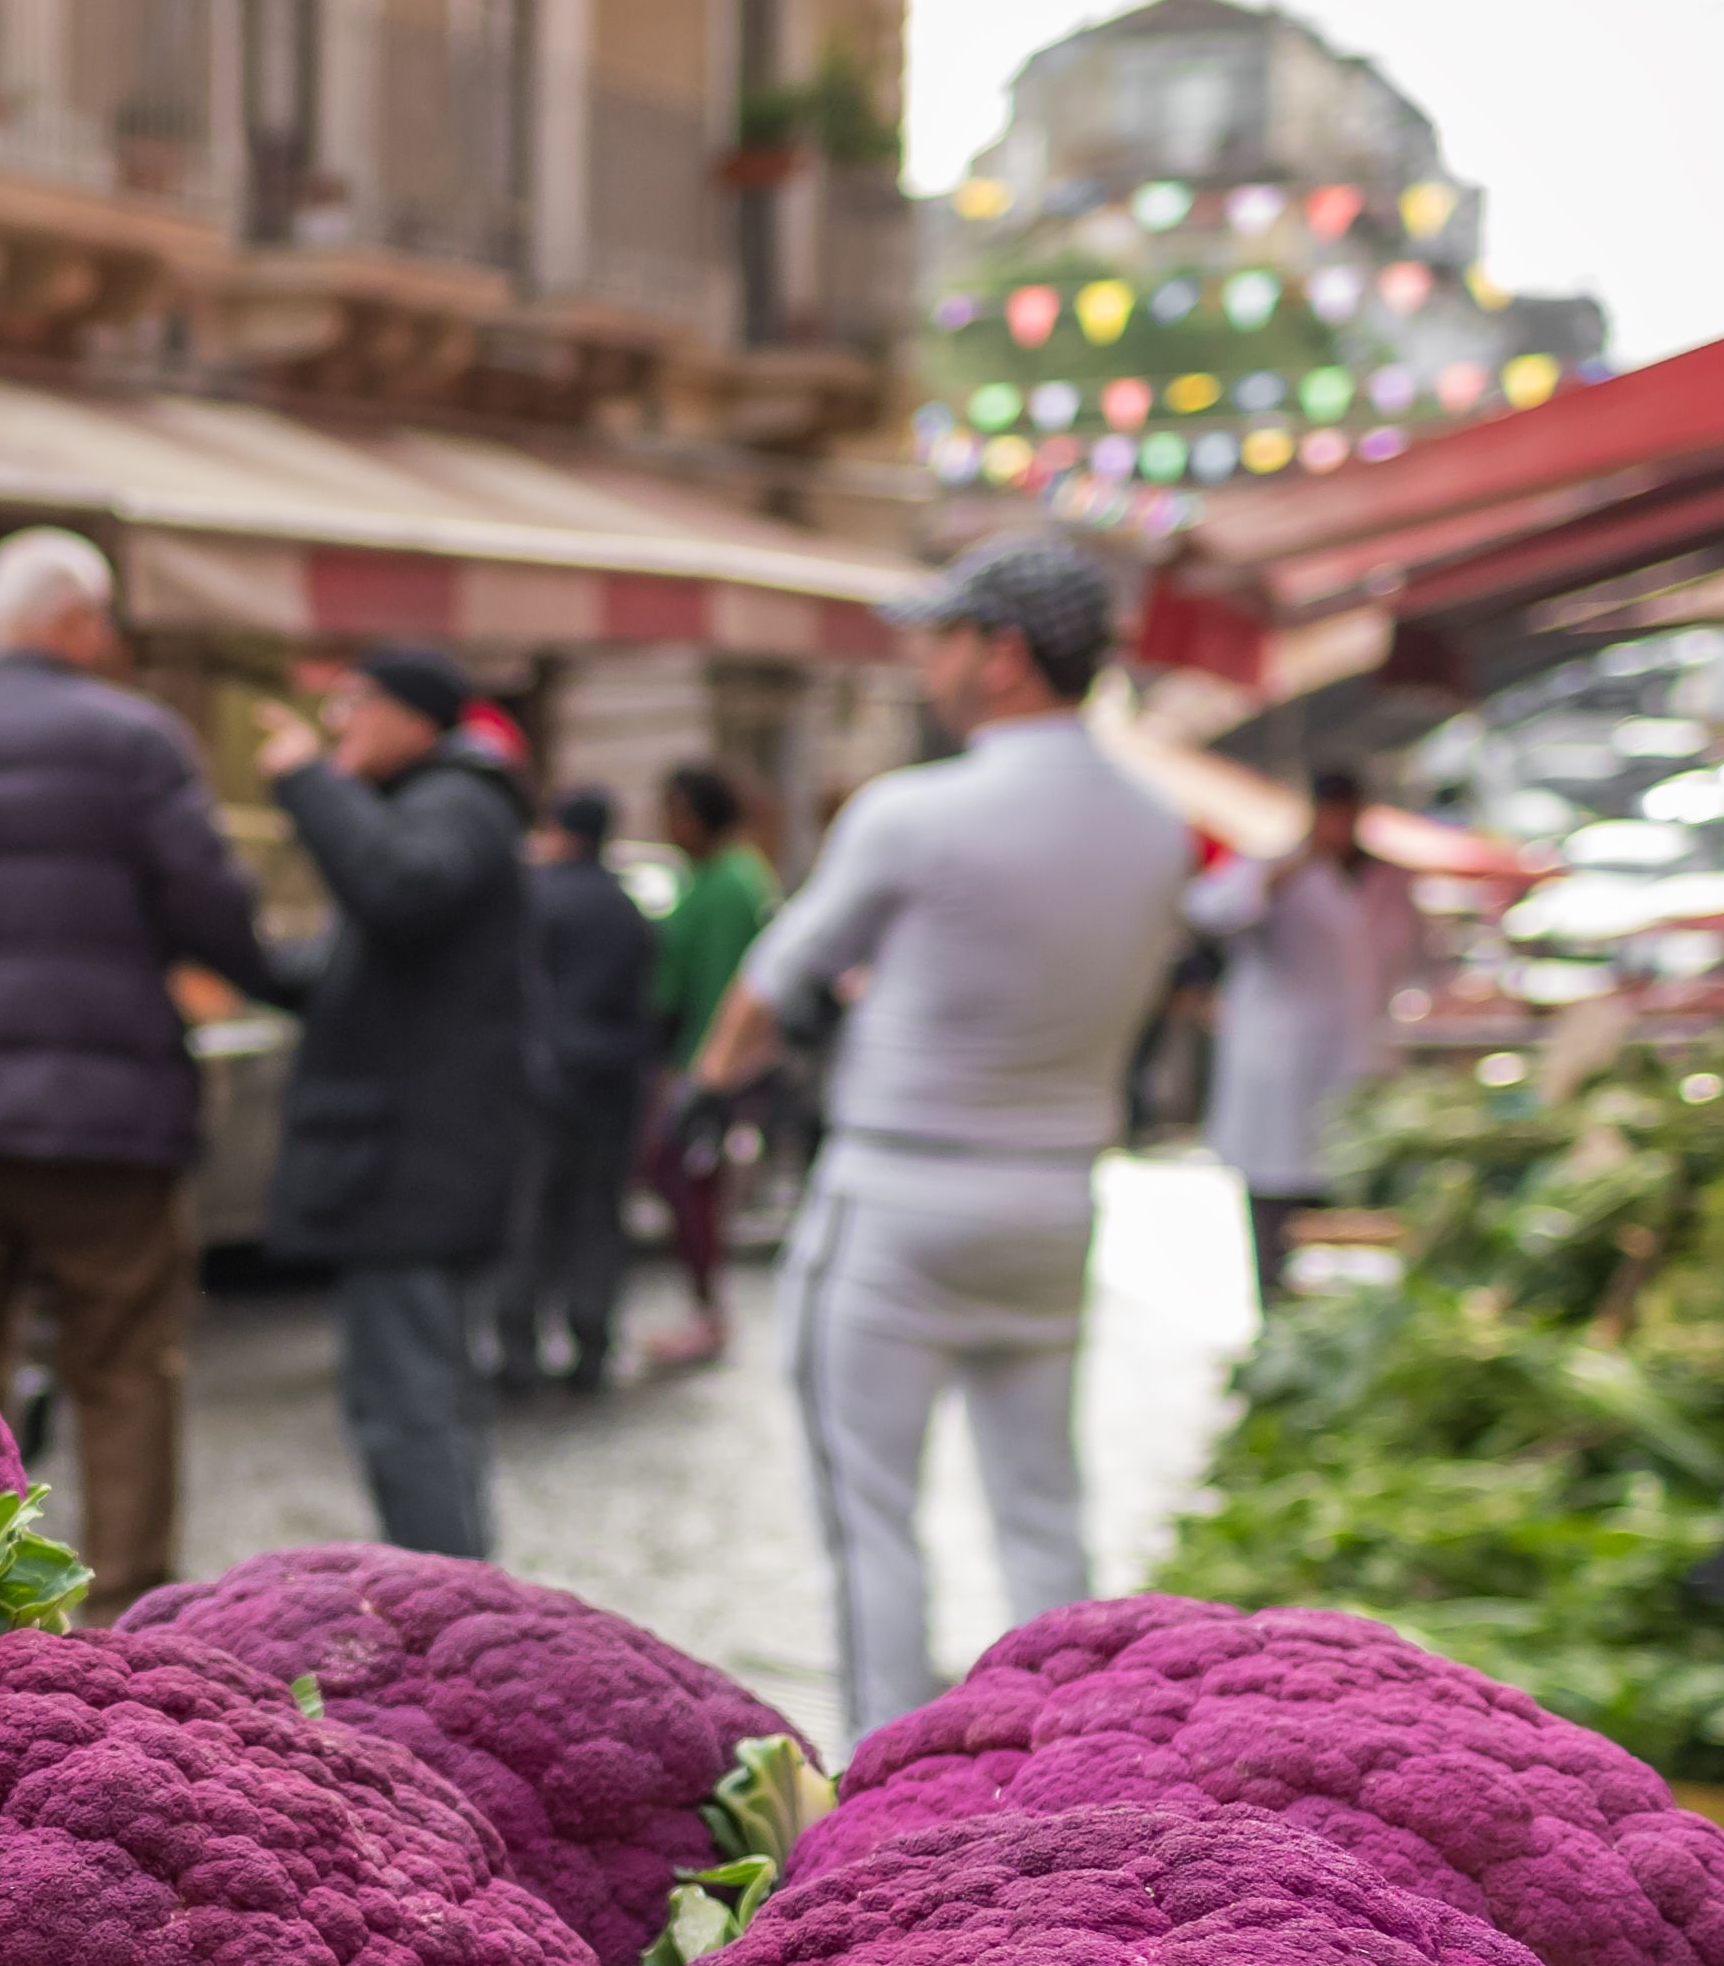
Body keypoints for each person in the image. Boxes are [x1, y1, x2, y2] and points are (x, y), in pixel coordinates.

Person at [690, 531, 1202, 1742]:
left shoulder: (913, 812)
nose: (923, 660)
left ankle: (884, 1775)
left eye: (942, 636)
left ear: (1005, 654)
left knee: (875, 1518)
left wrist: (709, 1087)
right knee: (1044, 1506)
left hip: (899, 1192)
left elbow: (774, 983)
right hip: (1055, 1197)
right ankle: (1092, 1757)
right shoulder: (1158, 828)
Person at [0, 525, 286, 1614]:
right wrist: (288, 977)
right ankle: (126, 1611)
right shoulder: (138, 742)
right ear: (73, 621)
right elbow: (212, 910)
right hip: (108, 1121)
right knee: (122, 1367)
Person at [244, 644, 539, 1560]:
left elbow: (397, 890)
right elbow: (345, 966)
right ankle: (457, 1605)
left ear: (416, 718)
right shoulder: (438, 805)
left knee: (411, 1412)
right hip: (409, 1167)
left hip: (416, 1172)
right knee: (417, 1404)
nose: (335, 724)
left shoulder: (456, 802)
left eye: (353, 703)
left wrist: (304, 783)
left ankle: (447, 1621)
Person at [1187, 762, 1422, 1301]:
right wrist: (1281, 873)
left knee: (1350, 1190)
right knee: (1277, 1190)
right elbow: (1212, 912)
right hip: (1282, 1062)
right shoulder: (1269, 869)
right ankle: (1275, 1303)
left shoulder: (1388, 879)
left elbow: (1416, 959)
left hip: (1359, 1055)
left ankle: (1335, 1310)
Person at [496, 782, 664, 1394]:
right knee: (597, 1208)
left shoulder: (532, 897)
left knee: (529, 1209)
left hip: (541, 1077)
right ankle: (591, 1340)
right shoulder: (628, 907)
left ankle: (518, 1344)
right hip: (614, 1078)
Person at [639, 763, 778, 1365]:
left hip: (707, 1066)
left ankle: (708, 1313)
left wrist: (698, 1071)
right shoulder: (725, 875)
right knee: (685, 1182)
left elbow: (715, 986)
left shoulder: (726, 883)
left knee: (685, 1179)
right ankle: (705, 1309)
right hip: (708, 1062)